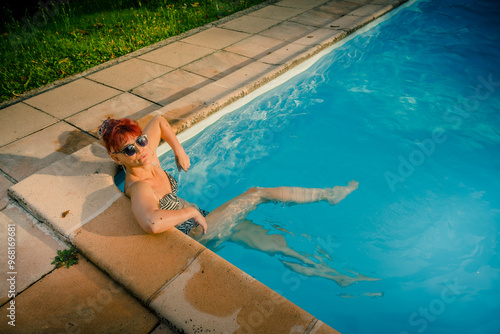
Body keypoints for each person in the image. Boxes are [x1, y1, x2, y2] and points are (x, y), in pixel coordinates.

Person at [100, 116, 369, 287]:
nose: (141, 150)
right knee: (256, 193)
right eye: (129, 150)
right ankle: (328, 195)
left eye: (141, 141)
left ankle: (333, 276)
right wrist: (190, 210)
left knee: (275, 244)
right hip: (195, 234)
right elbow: (150, 221)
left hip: (205, 218)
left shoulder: (148, 155)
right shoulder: (139, 187)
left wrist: (178, 150)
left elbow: (159, 121)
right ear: (117, 158)